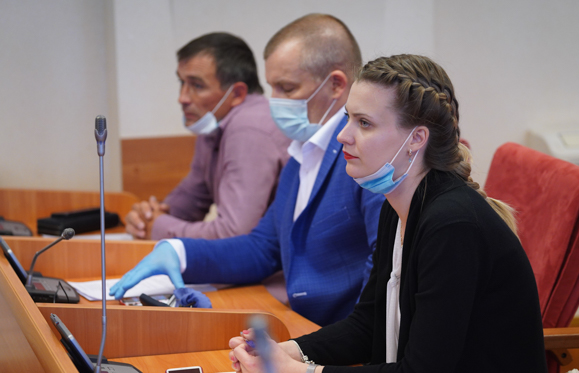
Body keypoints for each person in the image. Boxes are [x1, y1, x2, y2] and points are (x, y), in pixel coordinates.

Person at [228, 54, 553, 373]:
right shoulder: (396, 208)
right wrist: (285, 352)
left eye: (364, 123)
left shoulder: (453, 227)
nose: (343, 136)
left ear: (416, 139)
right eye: (348, 118)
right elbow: (367, 325)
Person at [110, 14, 385, 326]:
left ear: (336, 85)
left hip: (338, 337)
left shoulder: (364, 155)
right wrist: (179, 252)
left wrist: (319, 349)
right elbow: (263, 247)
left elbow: (382, 270)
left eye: (287, 88)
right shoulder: (302, 152)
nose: (274, 101)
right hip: (304, 326)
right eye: (272, 88)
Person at [125, 32, 290, 240]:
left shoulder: (250, 129)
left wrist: (157, 227)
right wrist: (146, 217)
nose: (182, 98)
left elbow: (234, 234)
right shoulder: (214, 123)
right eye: (182, 82)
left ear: (237, 94)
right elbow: (190, 200)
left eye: (197, 85)